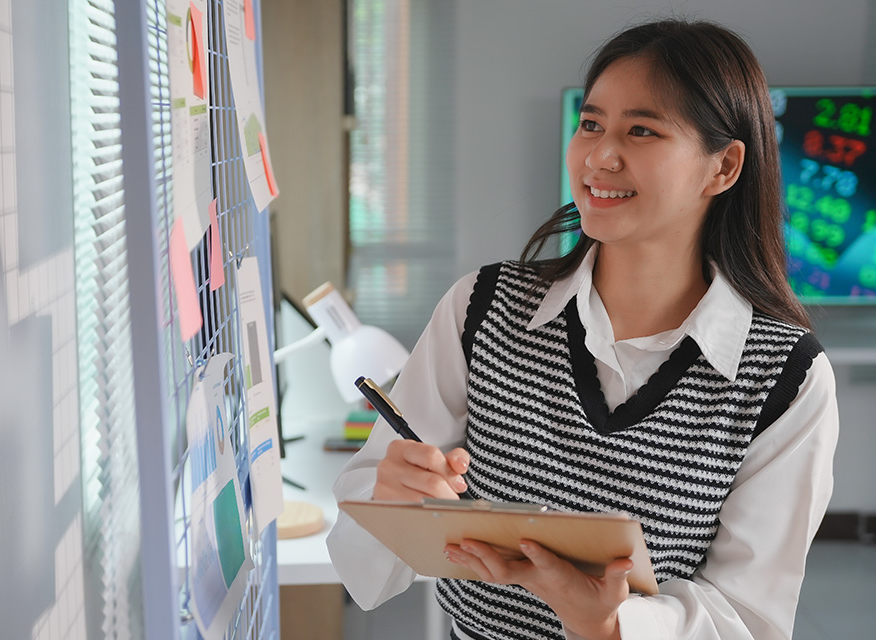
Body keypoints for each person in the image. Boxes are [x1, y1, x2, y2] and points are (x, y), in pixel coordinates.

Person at [325, 17, 839, 640]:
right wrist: (393, 497)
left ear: (723, 168)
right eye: (591, 124)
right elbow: (362, 563)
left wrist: (606, 624)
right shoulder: (482, 308)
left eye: (641, 130)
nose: (599, 155)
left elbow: (749, 620)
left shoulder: (786, 377)